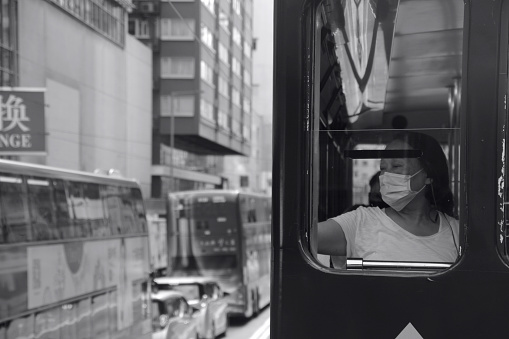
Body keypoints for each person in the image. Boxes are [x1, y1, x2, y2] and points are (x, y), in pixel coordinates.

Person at [318, 132, 459, 265]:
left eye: (397, 166)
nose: (386, 176)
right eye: (383, 168)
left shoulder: (457, 232)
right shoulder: (360, 222)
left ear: (428, 176)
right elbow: (303, 237)